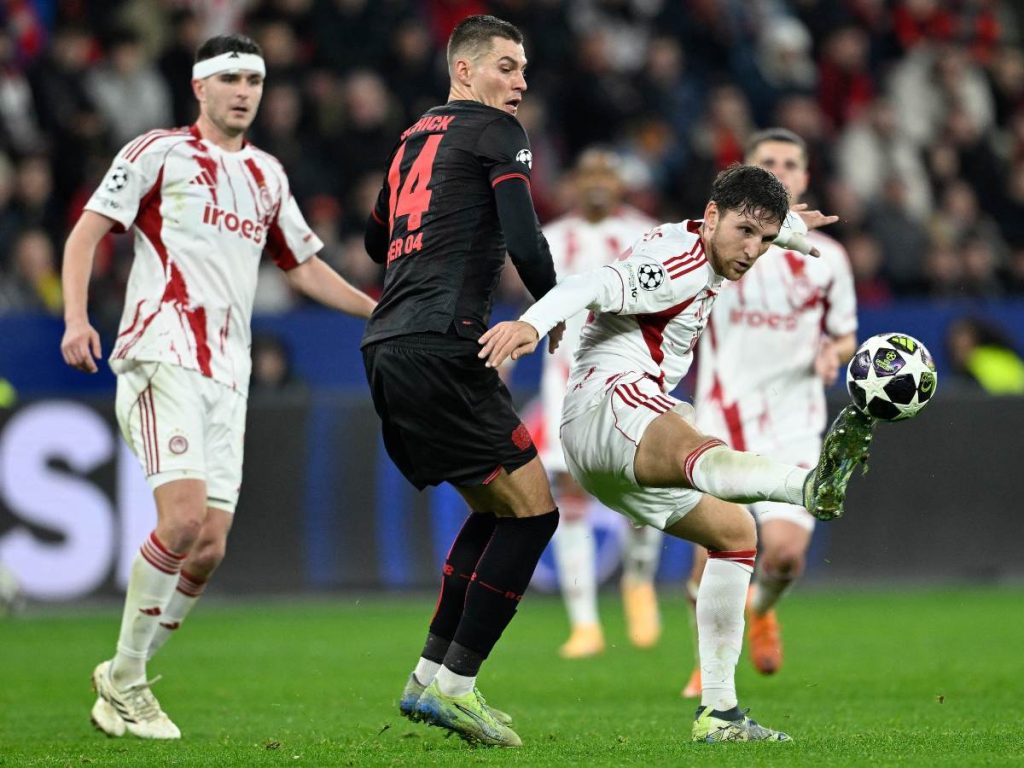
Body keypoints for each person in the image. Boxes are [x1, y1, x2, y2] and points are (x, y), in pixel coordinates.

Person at [478, 164, 874, 743]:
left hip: (615, 443)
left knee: (736, 533)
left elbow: (751, 230)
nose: (753, 251)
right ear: (711, 218)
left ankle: (720, 713)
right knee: (694, 441)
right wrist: (532, 326)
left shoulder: (715, 240)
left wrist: (785, 228)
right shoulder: (677, 263)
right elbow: (588, 284)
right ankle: (807, 487)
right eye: (745, 233)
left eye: (764, 240)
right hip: (607, 402)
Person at [60, 33, 376, 740]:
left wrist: (374, 307)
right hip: (160, 353)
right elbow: (86, 233)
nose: (244, 91)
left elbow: (301, 266)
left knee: (208, 546)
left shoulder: (268, 174)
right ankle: (131, 683)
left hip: (227, 375)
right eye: (230, 77)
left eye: (255, 80)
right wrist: (76, 318)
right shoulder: (157, 152)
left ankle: (118, 675)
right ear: (200, 87)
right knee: (180, 520)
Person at [361, 15, 561, 749]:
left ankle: (428, 678)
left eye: (524, 68)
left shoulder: (413, 136)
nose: (521, 81)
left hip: (387, 344)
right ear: (466, 71)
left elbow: (374, 240)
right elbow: (523, 234)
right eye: (507, 66)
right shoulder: (494, 133)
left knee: (498, 507)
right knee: (536, 516)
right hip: (446, 344)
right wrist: (556, 307)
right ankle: (458, 687)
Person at [682, 128, 859, 698]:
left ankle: (760, 609)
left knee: (784, 556)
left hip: (793, 420)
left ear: (806, 177)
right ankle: (709, 668)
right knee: (711, 553)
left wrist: (834, 354)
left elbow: (846, 335)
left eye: (791, 163)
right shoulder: (728, 241)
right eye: (768, 164)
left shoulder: (830, 260)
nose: (781, 171)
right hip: (722, 416)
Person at [538, 147, 664, 658]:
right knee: (570, 493)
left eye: (605, 174)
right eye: (586, 173)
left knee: (643, 486)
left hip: (632, 377)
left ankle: (638, 581)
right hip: (566, 383)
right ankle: (584, 623)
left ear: (619, 182)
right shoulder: (550, 239)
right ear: (572, 182)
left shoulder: (647, 235)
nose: (595, 182)